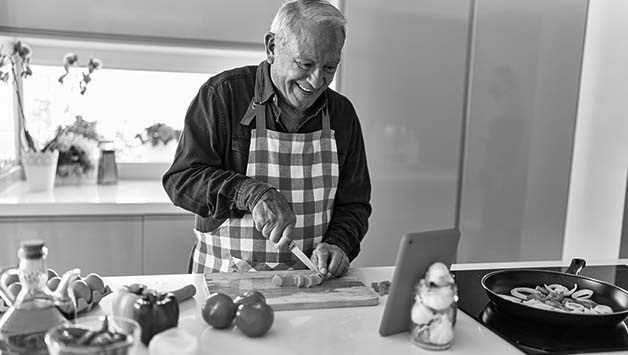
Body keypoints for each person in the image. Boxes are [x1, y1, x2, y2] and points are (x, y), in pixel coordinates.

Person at [162, 0, 371, 278]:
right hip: (224, 283)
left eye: (329, 67)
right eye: (305, 63)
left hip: (310, 285)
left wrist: (339, 243)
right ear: (272, 47)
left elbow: (354, 204)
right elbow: (181, 180)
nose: (317, 80)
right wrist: (249, 193)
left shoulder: (342, 114)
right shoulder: (223, 96)